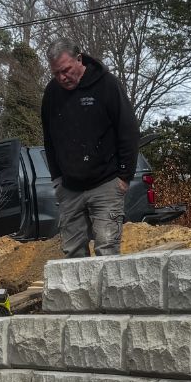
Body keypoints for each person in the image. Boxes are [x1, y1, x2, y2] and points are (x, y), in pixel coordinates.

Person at [40, 42, 140, 258]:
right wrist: (57, 178)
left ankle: (108, 293)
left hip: (106, 183)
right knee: (73, 253)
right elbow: (49, 139)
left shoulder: (107, 85)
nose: (62, 77)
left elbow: (129, 131)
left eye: (66, 70)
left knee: (106, 248)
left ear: (79, 59)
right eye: (56, 73)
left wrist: (124, 176)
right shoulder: (51, 94)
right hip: (69, 189)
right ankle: (80, 294)